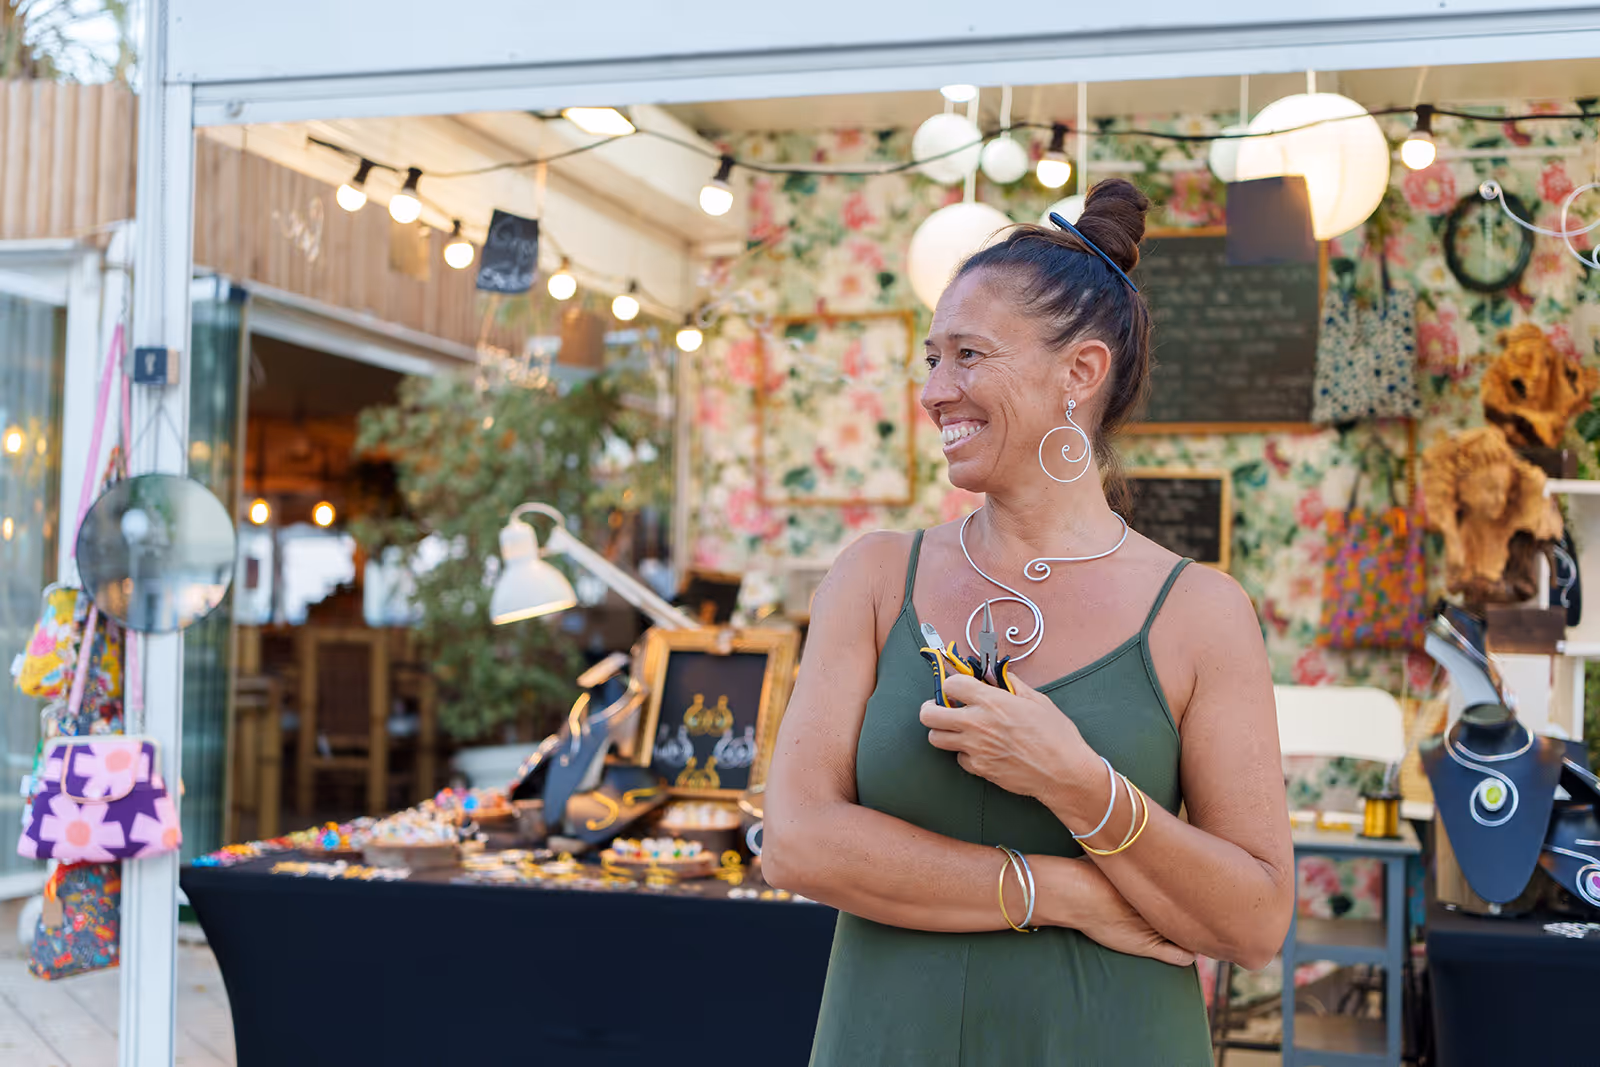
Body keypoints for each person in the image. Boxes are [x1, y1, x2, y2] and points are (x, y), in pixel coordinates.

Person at [763, 178, 1294, 1066]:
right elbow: (797, 842)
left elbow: (1254, 921)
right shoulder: (873, 577)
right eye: (931, 359)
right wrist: (1070, 892)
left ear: (1078, 374)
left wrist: (1081, 785)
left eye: (967, 355)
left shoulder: (1204, 613)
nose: (935, 391)